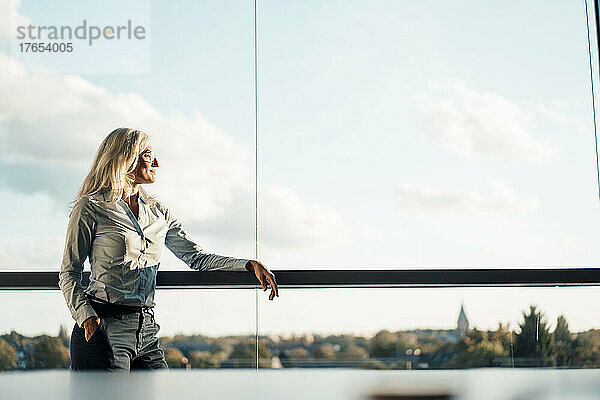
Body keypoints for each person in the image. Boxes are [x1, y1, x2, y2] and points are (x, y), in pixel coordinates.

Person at [58, 127, 278, 371]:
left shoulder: (158, 212)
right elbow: (69, 272)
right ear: (126, 158)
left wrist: (247, 265)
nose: (157, 163)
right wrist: (87, 317)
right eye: (149, 155)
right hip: (103, 326)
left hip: (147, 328)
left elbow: (196, 257)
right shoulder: (91, 207)